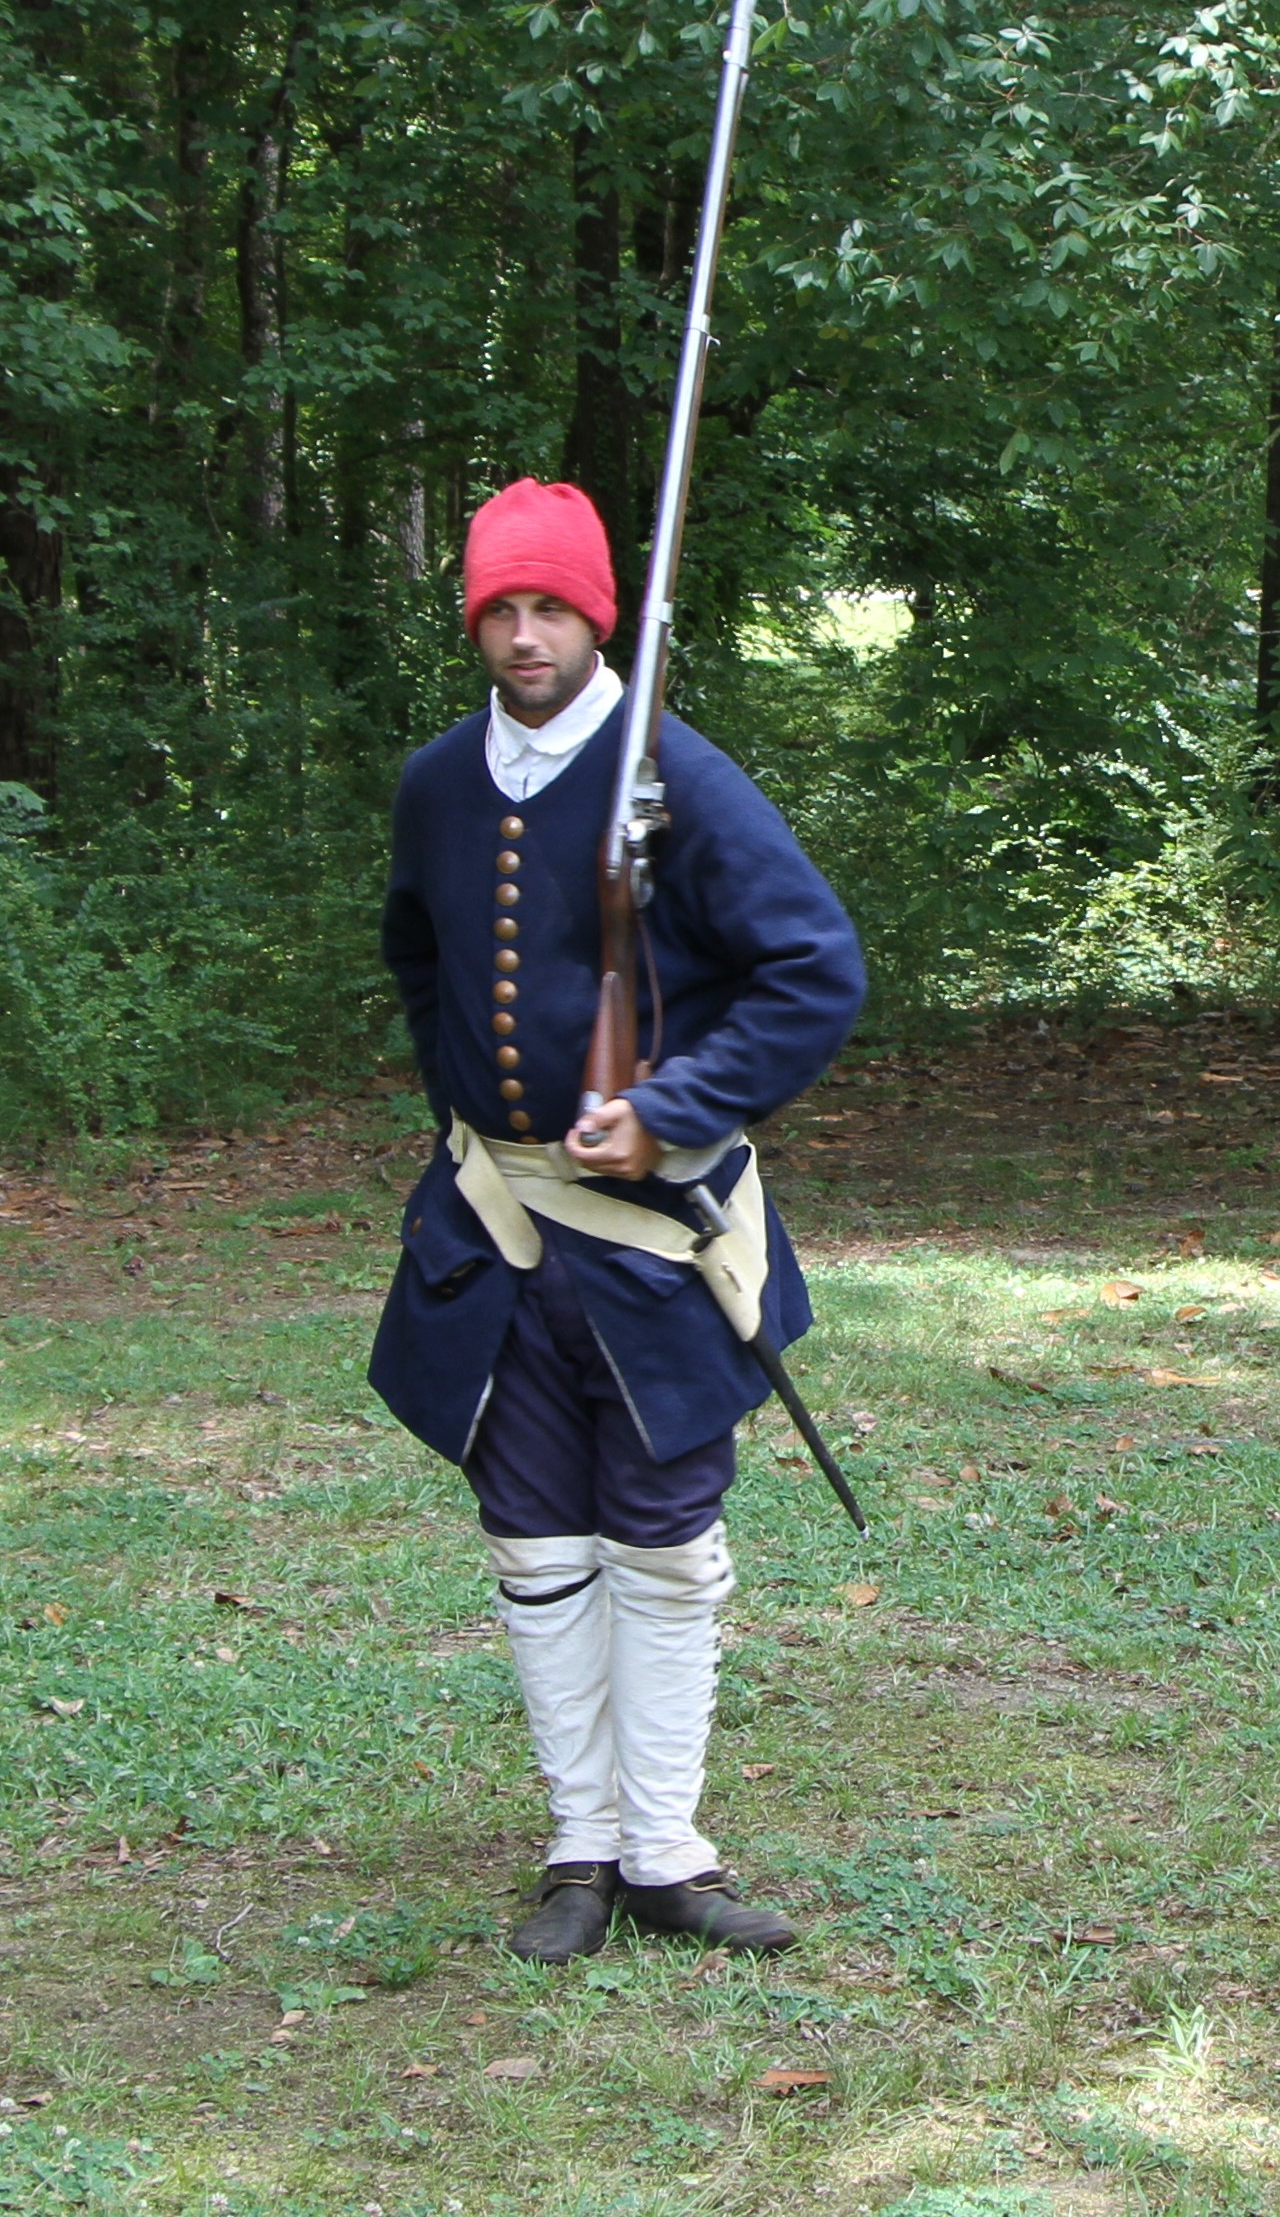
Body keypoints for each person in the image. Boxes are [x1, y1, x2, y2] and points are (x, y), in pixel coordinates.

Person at [373, 479, 866, 1964]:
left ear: (599, 616)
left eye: (552, 608)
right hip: (497, 1227)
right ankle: (579, 1843)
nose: (525, 637)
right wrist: (484, 1125)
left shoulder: (683, 776)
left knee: (663, 1538)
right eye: (501, 610)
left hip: (652, 1242)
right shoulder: (436, 783)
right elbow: (418, 962)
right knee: (532, 1536)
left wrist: (669, 1108)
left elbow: (813, 970)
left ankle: (665, 1848)